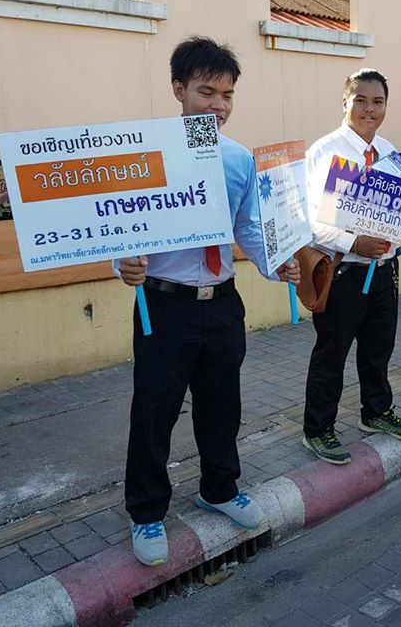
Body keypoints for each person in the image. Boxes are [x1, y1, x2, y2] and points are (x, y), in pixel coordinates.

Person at [116, 37, 300, 566]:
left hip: (221, 303)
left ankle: (219, 489)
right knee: (155, 410)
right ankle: (147, 512)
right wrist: (123, 264)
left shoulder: (239, 159)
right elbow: (119, 224)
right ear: (178, 89)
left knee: (222, 404)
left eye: (227, 95)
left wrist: (276, 263)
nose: (218, 105)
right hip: (163, 304)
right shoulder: (146, 155)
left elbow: (248, 226)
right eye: (206, 92)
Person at [301, 69, 401, 465]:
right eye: (361, 101)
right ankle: (318, 429)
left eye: (378, 102)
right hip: (345, 273)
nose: (370, 109)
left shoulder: (388, 152)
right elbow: (310, 221)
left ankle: (376, 412)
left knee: (378, 349)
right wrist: (354, 243)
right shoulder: (325, 153)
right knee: (331, 354)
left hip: (385, 271)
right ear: (345, 103)